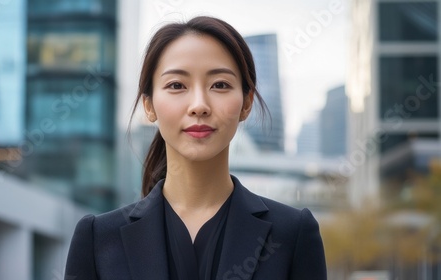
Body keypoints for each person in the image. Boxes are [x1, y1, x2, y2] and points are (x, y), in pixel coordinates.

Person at [65, 16, 327, 280]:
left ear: (246, 103)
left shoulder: (292, 233)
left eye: (220, 85)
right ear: (149, 105)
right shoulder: (98, 239)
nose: (199, 105)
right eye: (177, 85)